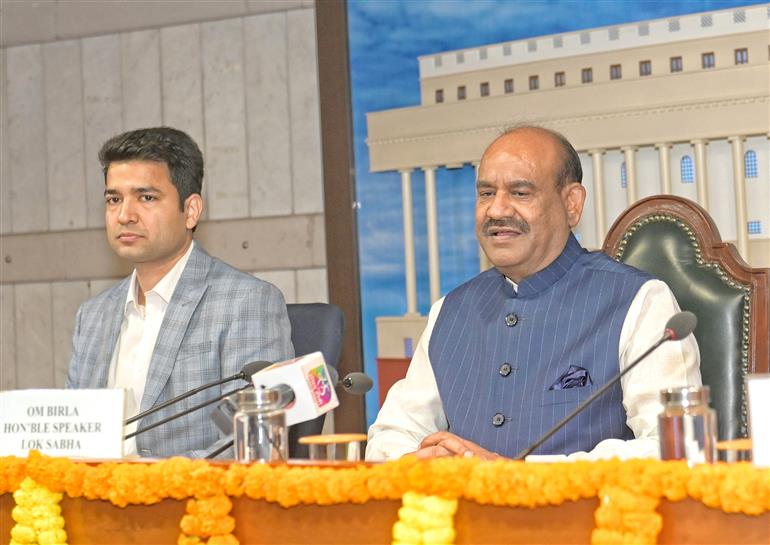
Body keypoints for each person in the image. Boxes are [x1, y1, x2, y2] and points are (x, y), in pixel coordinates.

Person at [366, 126, 701, 461]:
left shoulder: (640, 301)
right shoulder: (450, 312)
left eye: (520, 193)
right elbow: (391, 436)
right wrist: (412, 463)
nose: (496, 210)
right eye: (485, 194)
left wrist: (525, 476)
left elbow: (676, 447)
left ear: (572, 203)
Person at [66, 127, 294, 458]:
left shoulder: (245, 303)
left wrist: (148, 485)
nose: (124, 215)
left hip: (191, 503)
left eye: (146, 197)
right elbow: (72, 438)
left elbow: (251, 444)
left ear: (190, 211)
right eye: (114, 199)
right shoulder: (92, 316)